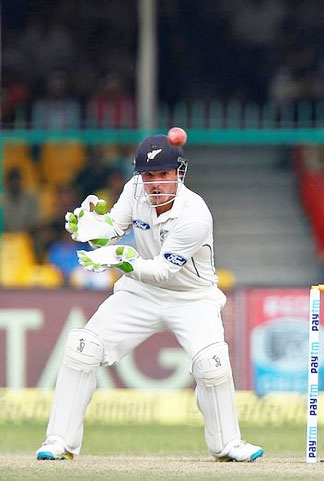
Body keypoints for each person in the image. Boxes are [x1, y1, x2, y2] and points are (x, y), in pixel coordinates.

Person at [35, 133, 263, 462]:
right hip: (139, 294)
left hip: (192, 298)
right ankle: (60, 441)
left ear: (178, 173)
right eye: (149, 176)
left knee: (211, 365)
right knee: (83, 348)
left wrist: (118, 259)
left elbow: (161, 271)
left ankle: (227, 444)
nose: (155, 184)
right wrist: (93, 229)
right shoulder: (134, 191)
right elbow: (114, 225)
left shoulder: (195, 215)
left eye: (163, 175)